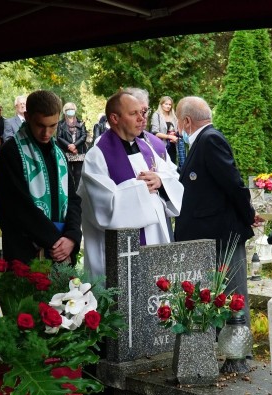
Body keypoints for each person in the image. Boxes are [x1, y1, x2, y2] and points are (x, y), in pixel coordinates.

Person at [174, 96, 261, 324]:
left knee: (233, 295)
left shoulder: (210, 140)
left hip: (223, 233)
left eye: (177, 122)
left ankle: (239, 355)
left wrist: (248, 215)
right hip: (210, 232)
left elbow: (233, 184)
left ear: (186, 121)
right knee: (220, 297)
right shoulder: (202, 140)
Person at [78, 91, 183, 278]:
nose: (141, 118)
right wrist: (142, 188)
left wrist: (160, 181)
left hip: (156, 239)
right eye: (134, 113)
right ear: (114, 118)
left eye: (142, 113)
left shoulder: (148, 148)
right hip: (119, 251)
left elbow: (172, 177)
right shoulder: (98, 155)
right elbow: (104, 206)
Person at [0, 90, 82, 265]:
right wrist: (56, 242)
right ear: (27, 116)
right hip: (27, 250)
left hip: (62, 248)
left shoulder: (59, 154)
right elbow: (17, 207)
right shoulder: (11, 153)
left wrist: (71, 236)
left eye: (53, 126)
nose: (46, 133)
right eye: (40, 125)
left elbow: (72, 199)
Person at [125, 87, 168, 161]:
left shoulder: (156, 143)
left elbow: (171, 171)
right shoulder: (104, 146)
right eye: (136, 112)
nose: (143, 117)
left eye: (146, 110)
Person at [56, 102, 88, 188]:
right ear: (65, 111)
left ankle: (78, 192)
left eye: (72, 109)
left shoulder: (81, 123)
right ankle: (69, 193)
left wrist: (75, 145)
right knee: (68, 174)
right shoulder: (61, 124)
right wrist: (70, 146)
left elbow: (84, 135)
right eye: (68, 110)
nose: (70, 111)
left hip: (78, 152)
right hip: (66, 152)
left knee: (78, 174)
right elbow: (59, 137)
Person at [151, 96, 179, 163]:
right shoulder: (156, 115)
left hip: (173, 146)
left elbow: (177, 131)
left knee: (173, 167)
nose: (168, 106)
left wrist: (175, 134)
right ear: (161, 104)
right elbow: (155, 133)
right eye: (166, 104)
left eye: (170, 104)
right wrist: (169, 136)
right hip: (161, 146)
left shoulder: (173, 116)